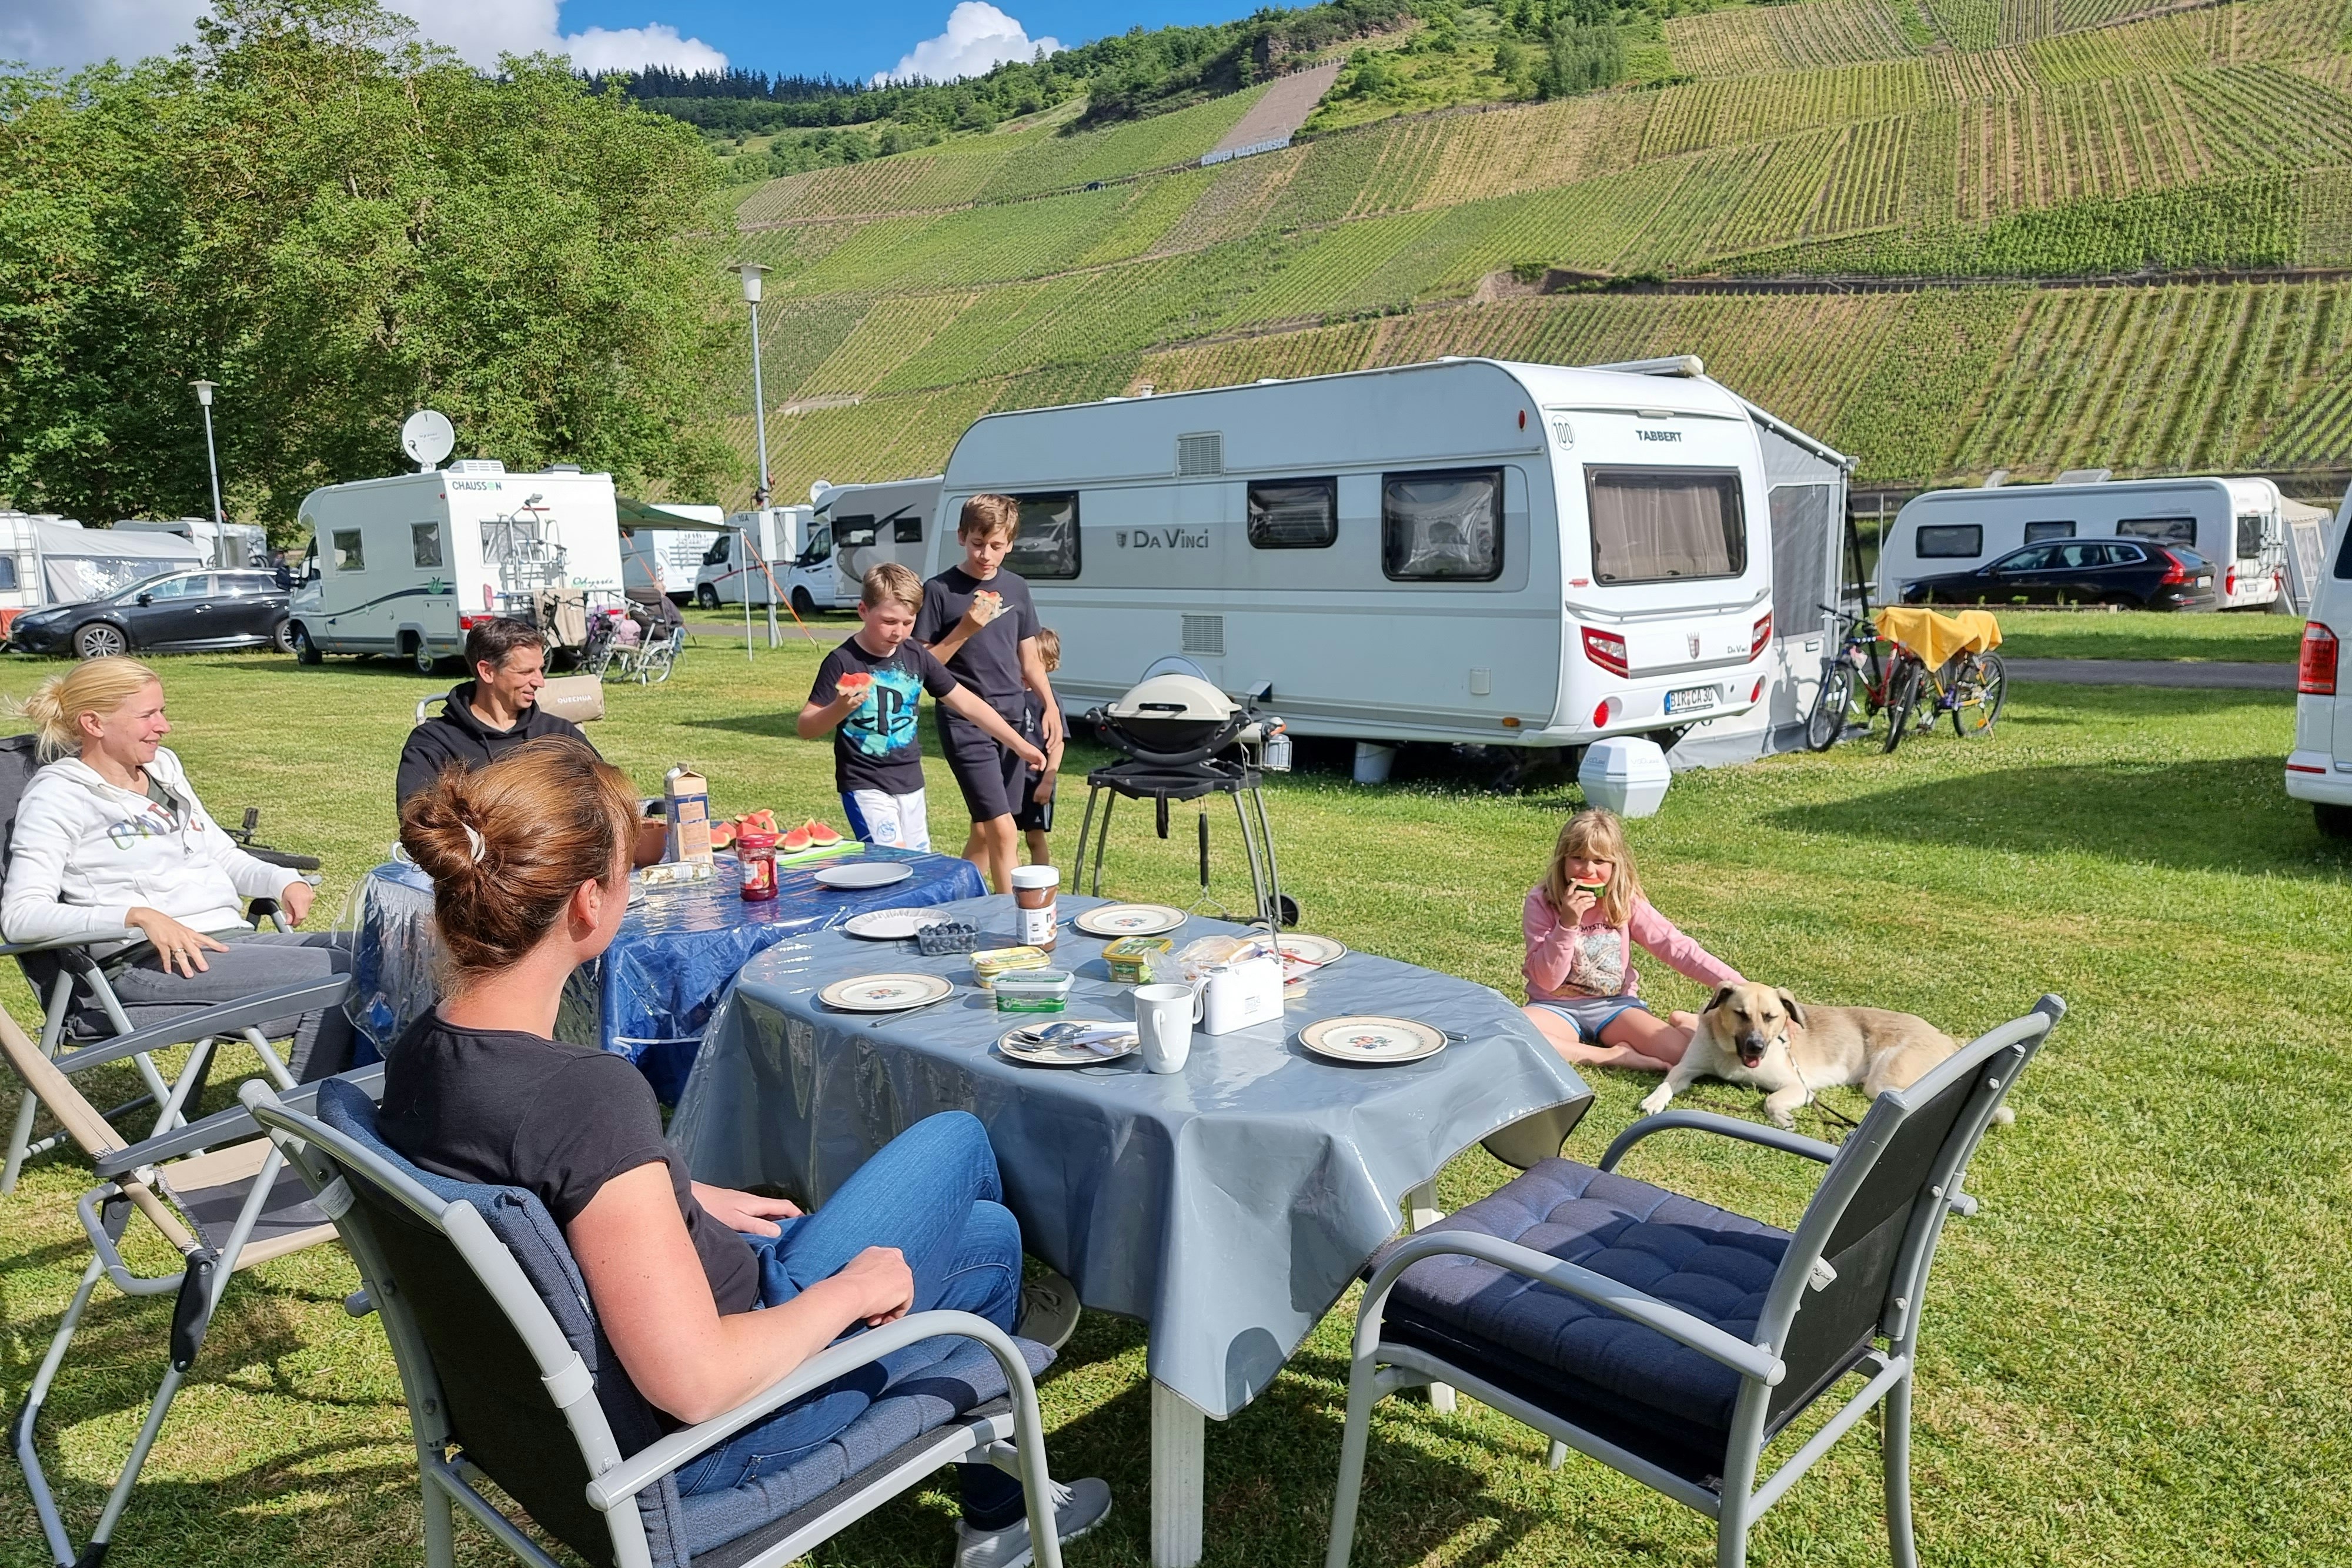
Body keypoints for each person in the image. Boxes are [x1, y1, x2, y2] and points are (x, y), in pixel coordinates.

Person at [384, 739, 1108, 1564]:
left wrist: (673, 1194)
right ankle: (1000, 1487)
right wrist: (847, 1293)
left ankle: (985, 1397)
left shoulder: (424, 1052)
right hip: (723, 1426)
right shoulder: (582, 1097)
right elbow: (697, 1383)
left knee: (983, 1231)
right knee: (968, 1164)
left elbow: (545, 1184)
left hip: (590, 1398)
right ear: (591, 903)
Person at [1, 658, 355, 1079]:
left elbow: (219, 853)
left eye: (162, 711)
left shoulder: (163, 769)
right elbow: (21, 917)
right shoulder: (58, 796)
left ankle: (382, 1107)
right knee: (337, 972)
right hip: (143, 964)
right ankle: (314, 1128)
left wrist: (281, 879)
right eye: (148, 715)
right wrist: (135, 916)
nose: (164, 725)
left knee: (385, 953)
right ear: (94, 723)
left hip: (224, 942)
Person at [801, 564, 1044, 854]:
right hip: (864, 783)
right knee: (890, 862)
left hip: (911, 781)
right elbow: (806, 727)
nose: (898, 632)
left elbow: (968, 703)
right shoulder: (841, 661)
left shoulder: (916, 655)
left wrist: (1019, 745)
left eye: (908, 623)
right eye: (889, 621)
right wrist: (840, 708)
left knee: (919, 865)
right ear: (863, 610)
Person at [395, 616, 664, 862]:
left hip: (562, 871)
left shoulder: (559, 735)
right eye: (526, 672)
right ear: (487, 671)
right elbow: (420, 826)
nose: (540, 682)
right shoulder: (435, 743)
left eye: (541, 669)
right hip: (476, 882)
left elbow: (609, 800)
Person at [1521, 807, 1742, 1072]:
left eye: (1600, 861)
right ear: (1563, 860)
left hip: (1614, 1006)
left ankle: (1682, 1021)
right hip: (1553, 1006)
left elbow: (1677, 948)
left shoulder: (1624, 902)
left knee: (1686, 1055)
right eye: (1578, 858)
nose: (1589, 870)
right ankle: (1614, 1057)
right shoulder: (1541, 901)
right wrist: (1567, 924)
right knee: (1516, 1036)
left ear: (1616, 865)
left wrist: (1742, 987)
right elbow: (1547, 980)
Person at [915, 496, 1062, 893]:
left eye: (996, 545)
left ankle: (950, 898)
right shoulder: (940, 590)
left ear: (1010, 543)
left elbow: (1030, 659)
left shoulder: (1016, 587)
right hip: (965, 722)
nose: (986, 554)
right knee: (1003, 829)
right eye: (978, 543)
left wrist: (1049, 706)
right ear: (962, 536)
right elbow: (925, 670)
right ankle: (1014, 921)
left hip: (1013, 719)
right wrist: (966, 627)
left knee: (986, 830)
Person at [1012, 628, 1065, 868]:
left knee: (1035, 838)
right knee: (1006, 835)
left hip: (1035, 781)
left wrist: (1047, 782)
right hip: (1010, 778)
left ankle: (1042, 882)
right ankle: (1012, 885)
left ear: (1049, 665)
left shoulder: (1050, 700)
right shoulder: (1008, 695)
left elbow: (1057, 744)